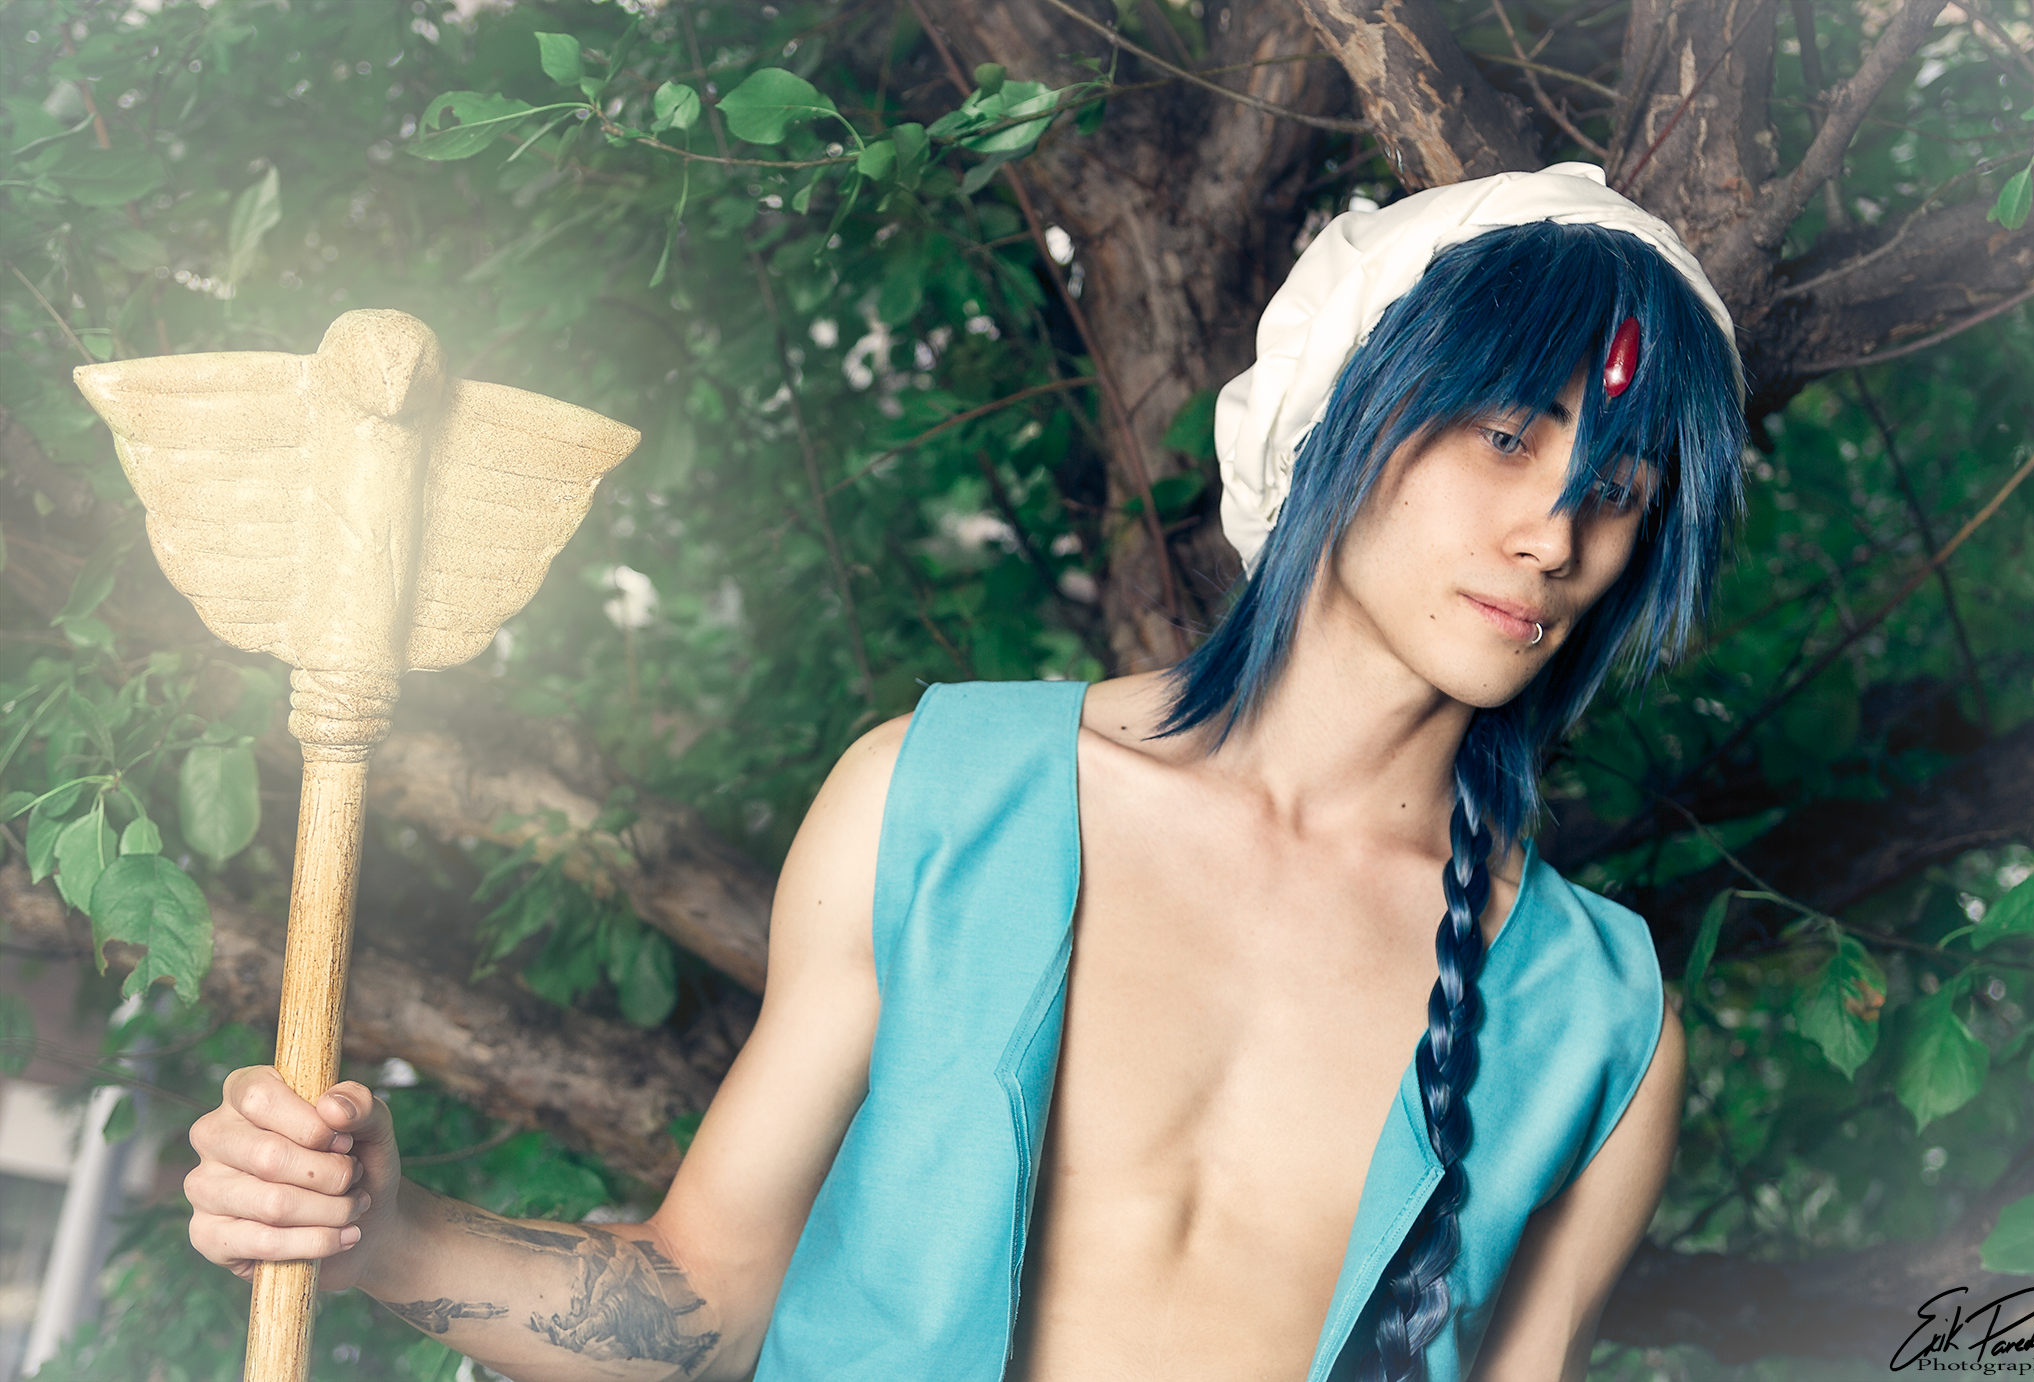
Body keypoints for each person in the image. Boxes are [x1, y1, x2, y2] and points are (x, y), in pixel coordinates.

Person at [185, 164, 1745, 1382]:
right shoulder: (936, 796)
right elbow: (699, 1301)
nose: (1554, 534)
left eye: (1615, 488)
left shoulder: (1598, 1024)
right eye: (1502, 436)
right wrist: (383, 1237)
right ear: (1342, 404)